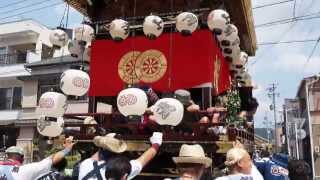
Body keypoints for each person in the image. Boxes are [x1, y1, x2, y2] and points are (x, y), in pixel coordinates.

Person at [78, 132, 163, 180]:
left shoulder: (85, 164)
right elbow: (145, 158)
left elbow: (97, 156)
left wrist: (105, 143)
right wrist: (156, 143)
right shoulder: (121, 170)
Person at [0, 136, 75, 180]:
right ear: (22, 158)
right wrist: (67, 149)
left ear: (6, 156)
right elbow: (52, 159)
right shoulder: (25, 170)